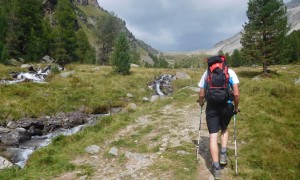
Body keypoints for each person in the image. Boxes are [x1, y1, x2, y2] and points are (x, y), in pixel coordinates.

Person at [198, 56, 240, 180]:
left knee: (213, 136)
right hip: (227, 105)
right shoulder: (230, 72)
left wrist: (201, 103)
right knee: (224, 128)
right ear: (223, 63)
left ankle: (216, 169)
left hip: (211, 107)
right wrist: (236, 108)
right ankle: (223, 154)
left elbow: (201, 94)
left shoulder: (207, 73)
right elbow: (236, 94)